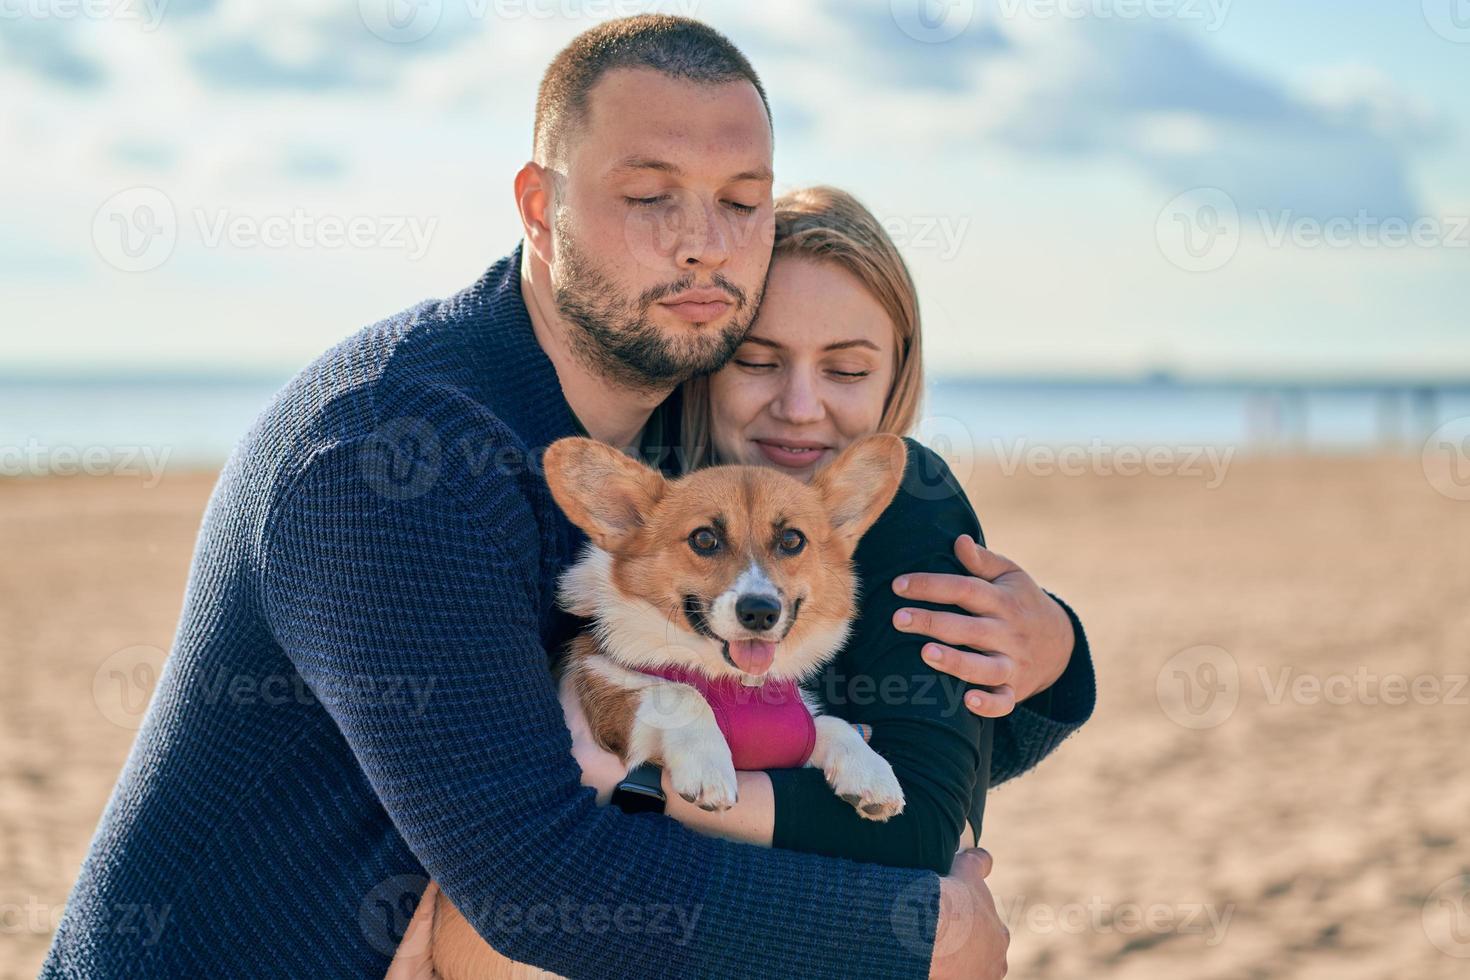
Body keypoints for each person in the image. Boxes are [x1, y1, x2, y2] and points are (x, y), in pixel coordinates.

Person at [43, 16, 1086, 980]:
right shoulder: (393, 456)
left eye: (740, 199)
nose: (703, 242)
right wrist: (904, 936)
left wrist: (1051, 664)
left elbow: (839, 706)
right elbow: (539, 870)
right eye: (649, 195)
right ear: (541, 208)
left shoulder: (682, 441)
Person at [409, 185, 1094, 978]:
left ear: (896, 376)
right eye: (759, 360)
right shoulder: (640, 479)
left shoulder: (907, 507)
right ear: (703, 352)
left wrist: (636, 784)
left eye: (846, 368)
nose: (801, 407)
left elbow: (925, 814)